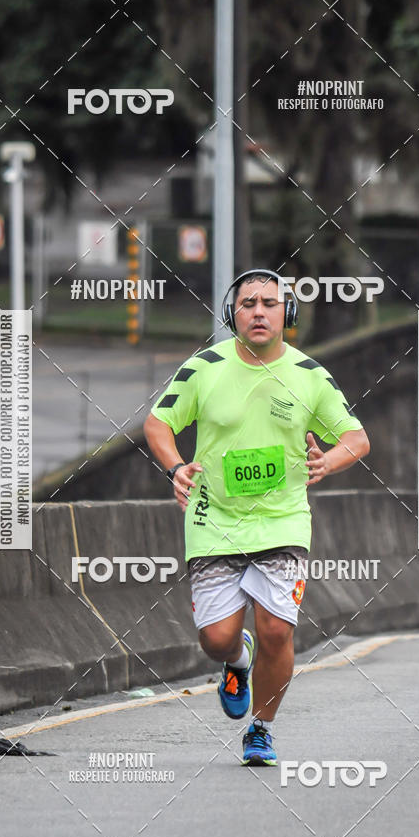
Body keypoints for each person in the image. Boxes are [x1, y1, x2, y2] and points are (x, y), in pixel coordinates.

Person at [143, 269, 370, 766]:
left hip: (282, 520)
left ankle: (261, 729)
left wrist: (328, 461)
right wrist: (176, 467)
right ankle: (235, 660)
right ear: (233, 314)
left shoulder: (309, 375)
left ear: (288, 313)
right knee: (216, 638)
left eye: (270, 303)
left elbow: (357, 438)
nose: (259, 312)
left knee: (277, 630)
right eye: (248, 303)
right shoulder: (204, 367)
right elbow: (158, 423)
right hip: (214, 517)